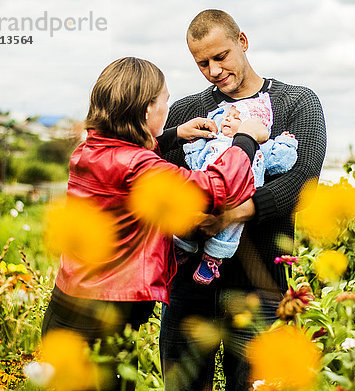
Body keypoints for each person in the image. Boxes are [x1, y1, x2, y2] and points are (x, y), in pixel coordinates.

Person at [40, 56, 268, 391]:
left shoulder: (88, 149)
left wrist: (174, 134)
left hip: (67, 308)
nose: (167, 107)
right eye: (165, 101)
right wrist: (245, 139)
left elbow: (125, 163)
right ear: (147, 110)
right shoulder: (140, 165)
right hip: (105, 321)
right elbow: (217, 188)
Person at [160, 9, 327, 391]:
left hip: (262, 285)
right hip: (189, 285)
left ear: (243, 42)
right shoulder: (188, 111)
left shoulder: (296, 102)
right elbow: (159, 176)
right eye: (202, 63)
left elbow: (304, 182)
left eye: (221, 57)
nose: (214, 70)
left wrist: (233, 214)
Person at [173, 93, 299, 285]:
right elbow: (196, 161)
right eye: (228, 115)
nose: (228, 119)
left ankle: (213, 259)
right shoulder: (214, 142)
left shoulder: (260, 148)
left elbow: (282, 161)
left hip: (239, 198)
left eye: (237, 117)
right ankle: (183, 246)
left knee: (231, 228)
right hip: (206, 190)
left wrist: (286, 143)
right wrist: (193, 144)